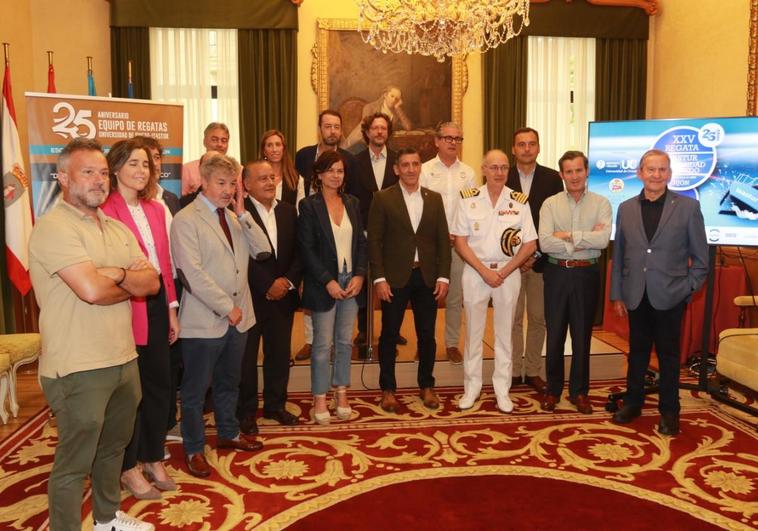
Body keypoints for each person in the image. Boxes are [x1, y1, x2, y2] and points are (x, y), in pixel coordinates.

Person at [29, 138, 159, 531]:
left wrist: (116, 274)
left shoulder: (117, 228)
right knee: (75, 462)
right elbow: (91, 291)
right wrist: (122, 282)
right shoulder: (54, 228)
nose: (99, 180)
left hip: (123, 358)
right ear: (64, 178)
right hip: (77, 366)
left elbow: (152, 283)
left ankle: (106, 519)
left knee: (112, 450)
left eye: (103, 172)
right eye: (88, 172)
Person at [170, 153, 272, 478]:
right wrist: (227, 308)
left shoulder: (233, 217)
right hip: (204, 321)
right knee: (196, 391)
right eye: (221, 183)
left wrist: (243, 214)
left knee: (231, 382)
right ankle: (194, 449)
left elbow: (263, 250)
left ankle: (228, 433)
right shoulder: (186, 219)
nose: (228, 190)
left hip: (240, 319)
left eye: (232, 184)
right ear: (204, 181)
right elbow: (191, 273)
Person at [610, 149, 708, 436]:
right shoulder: (626, 208)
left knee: (668, 356)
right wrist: (617, 293)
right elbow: (620, 254)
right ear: (640, 173)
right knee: (637, 353)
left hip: (671, 296)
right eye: (650, 169)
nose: (656, 175)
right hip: (635, 294)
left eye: (662, 170)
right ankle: (633, 403)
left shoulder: (688, 207)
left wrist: (687, 289)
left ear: (670, 174)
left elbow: (701, 260)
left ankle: (669, 411)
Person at [102, 139, 180, 499]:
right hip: (125, 305)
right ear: (115, 168)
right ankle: (128, 466)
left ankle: (152, 455)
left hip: (157, 301)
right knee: (130, 393)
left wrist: (172, 308)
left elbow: (164, 264)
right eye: (133, 163)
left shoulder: (155, 208)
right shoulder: (105, 210)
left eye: (146, 165)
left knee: (159, 384)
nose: (141, 171)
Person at [452, 150, 537, 413]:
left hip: (508, 273)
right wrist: (484, 271)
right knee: (474, 334)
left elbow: (530, 244)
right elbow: (459, 241)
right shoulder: (468, 199)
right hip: (475, 272)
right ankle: (472, 388)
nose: (499, 172)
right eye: (493, 167)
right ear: (483, 170)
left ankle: (502, 390)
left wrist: (506, 270)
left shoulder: (519, 201)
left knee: (504, 335)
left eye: (503, 168)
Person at [369, 147, 451, 412]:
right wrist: (379, 279)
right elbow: (375, 242)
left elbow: (442, 241)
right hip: (394, 278)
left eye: (415, 164)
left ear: (420, 167)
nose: (411, 169)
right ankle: (388, 389)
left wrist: (444, 276)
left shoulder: (434, 199)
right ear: (396, 169)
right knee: (390, 334)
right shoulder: (382, 199)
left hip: (427, 277)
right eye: (405, 165)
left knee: (427, 335)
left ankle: (427, 385)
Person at [539, 151, 612, 414]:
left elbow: (603, 241)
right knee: (555, 334)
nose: (574, 176)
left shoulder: (602, 203)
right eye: (568, 171)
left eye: (578, 170)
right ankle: (553, 391)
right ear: (561, 175)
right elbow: (545, 242)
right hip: (557, 273)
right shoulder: (550, 204)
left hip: (586, 275)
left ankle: (580, 392)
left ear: (587, 171)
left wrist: (567, 236)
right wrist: (583, 240)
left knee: (582, 337)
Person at [298, 151, 368, 424]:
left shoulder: (352, 203)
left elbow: (361, 244)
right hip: (322, 283)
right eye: (330, 170)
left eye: (340, 171)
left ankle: (341, 394)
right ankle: (319, 398)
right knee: (322, 344)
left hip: (351, 281)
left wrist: (360, 275)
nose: (336, 175)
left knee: (343, 342)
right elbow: (306, 249)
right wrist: (327, 280)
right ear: (319, 175)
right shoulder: (308, 206)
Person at [237, 160, 303, 433]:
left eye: (271, 177)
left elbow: (300, 252)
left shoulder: (288, 211)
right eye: (261, 178)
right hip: (251, 296)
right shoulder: (238, 213)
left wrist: (286, 281)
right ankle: (247, 412)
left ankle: (276, 405)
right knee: (247, 358)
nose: (268, 182)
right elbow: (241, 255)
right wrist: (267, 284)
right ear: (247, 185)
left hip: (283, 296)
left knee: (278, 354)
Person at [294, 110, 358, 361]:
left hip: (336, 228)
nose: (332, 130)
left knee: (338, 287)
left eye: (336, 126)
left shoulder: (349, 160)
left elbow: (352, 198)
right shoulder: (304, 155)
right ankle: (312, 341)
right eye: (327, 126)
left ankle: (338, 343)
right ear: (320, 128)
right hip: (309, 225)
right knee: (313, 286)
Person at [507, 127, 563, 393]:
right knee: (513, 319)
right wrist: (517, 258)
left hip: (541, 261)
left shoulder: (552, 178)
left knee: (538, 318)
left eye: (531, 144)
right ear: (513, 149)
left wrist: (534, 253)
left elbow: (553, 222)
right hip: (510, 262)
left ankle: (531, 371)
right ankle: (513, 371)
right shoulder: (502, 176)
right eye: (521, 144)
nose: (526, 149)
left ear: (538, 148)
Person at [345, 112, 405, 353]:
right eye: (375, 128)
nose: (379, 132)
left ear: (388, 133)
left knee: (393, 283)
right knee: (365, 282)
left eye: (383, 128)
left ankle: (392, 330)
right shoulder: (354, 161)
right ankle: (364, 332)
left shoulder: (398, 162)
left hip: (394, 233)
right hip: (363, 231)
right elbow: (348, 197)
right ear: (367, 132)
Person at [419, 122, 476, 364]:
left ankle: (452, 344)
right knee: (426, 297)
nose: (453, 142)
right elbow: (418, 208)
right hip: (430, 246)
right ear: (437, 141)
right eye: (448, 138)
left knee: (454, 297)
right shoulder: (424, 170)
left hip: (458, 246)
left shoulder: (469, 173)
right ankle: (425, 345)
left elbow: (472, 209)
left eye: (458, 139)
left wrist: (459, 234)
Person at [343, 86, 412, 150]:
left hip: (384, 144)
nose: (394, 100)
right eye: (392, 96)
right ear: (385, 95)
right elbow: (366, 129)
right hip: (362, 142)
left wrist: (397, 108)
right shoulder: (370, 107)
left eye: (397, 98)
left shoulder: (396, 112)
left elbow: (408, 127)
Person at [259, 129, 306, 208]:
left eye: (278, 144)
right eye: (269, 145)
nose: (274, 149)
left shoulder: (296, 179)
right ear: (264, 151)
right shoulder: (256, 178)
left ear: (283, 149)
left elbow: (300, 211)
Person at [181, 122, 230, 196]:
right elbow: (181, 202)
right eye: (214, 140)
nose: (219, 144)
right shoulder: (188, 169)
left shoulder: (237, 170)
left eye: (224, 141)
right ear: (204, 142)